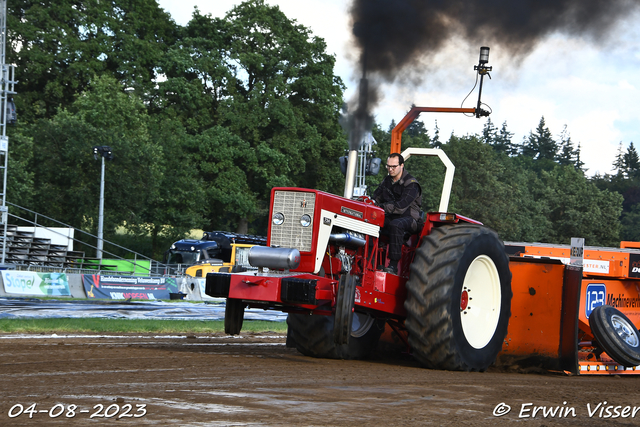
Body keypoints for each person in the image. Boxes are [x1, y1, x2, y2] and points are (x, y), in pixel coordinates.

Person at [372, 153, 422, 275]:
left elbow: (400, 207)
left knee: (396, 225)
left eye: (394, 166)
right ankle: (371, 260)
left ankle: (393, 265)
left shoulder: (412, 184)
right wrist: (370, 203)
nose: (390, 169)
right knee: (372, 221)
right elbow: (375, 198)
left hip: (410, 219)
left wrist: (381, 207)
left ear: (401, 165)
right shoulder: (386, 181)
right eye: (388, 166)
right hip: (391, 215)